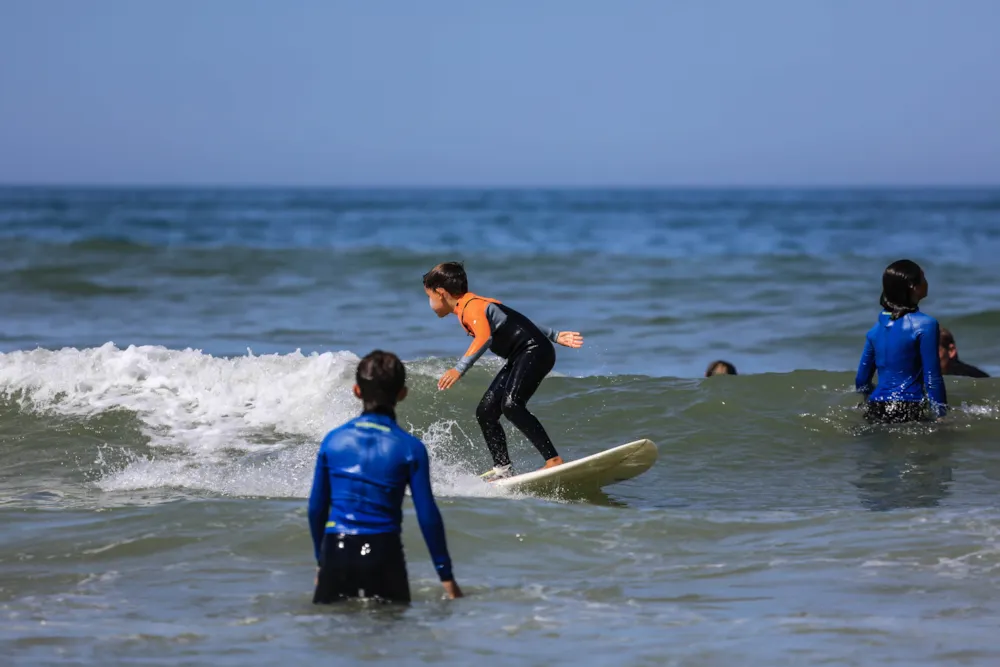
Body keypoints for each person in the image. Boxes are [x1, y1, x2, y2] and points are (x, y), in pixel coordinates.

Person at [307, 350, 462, 604]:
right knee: (391, 636)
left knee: (333, 634)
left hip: (337, 550)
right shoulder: (410, 447)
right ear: (402, 393)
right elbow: (428, 515)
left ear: (357, 391)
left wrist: (320, 560)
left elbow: (316, 508)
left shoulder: (333, 441)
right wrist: (446, 576)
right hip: (383, 552)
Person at [422, 261, 583, 480]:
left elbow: (484, 337)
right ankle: (503, 469)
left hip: (534, 352)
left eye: (429, 297)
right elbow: (518, 319)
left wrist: (459, 369)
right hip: (522, 355)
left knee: (511, 404)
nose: (430, 303)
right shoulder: (473, 304)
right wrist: (554, 334)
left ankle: (553, 460)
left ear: (440, 293)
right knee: (486, 411)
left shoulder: (472, 307)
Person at [855, 259, 947, 423]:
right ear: (913, 286)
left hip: (875, 408)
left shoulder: (875, 331)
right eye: (923, 277)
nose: (927, 282)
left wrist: (873, 398)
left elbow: (861, 381)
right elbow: (933, 378)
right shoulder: (926, 325)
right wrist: (941, 416)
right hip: (908, 408)